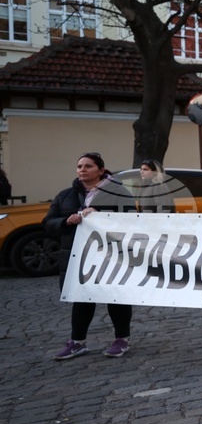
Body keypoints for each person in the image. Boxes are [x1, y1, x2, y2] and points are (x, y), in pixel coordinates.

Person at [46, 152, 135, 359]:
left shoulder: (118, 192)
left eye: (88, 166)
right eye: (79, 166)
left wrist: (101, 215)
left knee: (116, 296)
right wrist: (66, 222)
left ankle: (122, 339)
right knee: (82, 297)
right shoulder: (65, 195)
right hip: (78, 256)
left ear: (101, 170)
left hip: (110, 254)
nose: (82, 170)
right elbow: (48, 223)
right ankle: (77, 342)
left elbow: (131, 218)